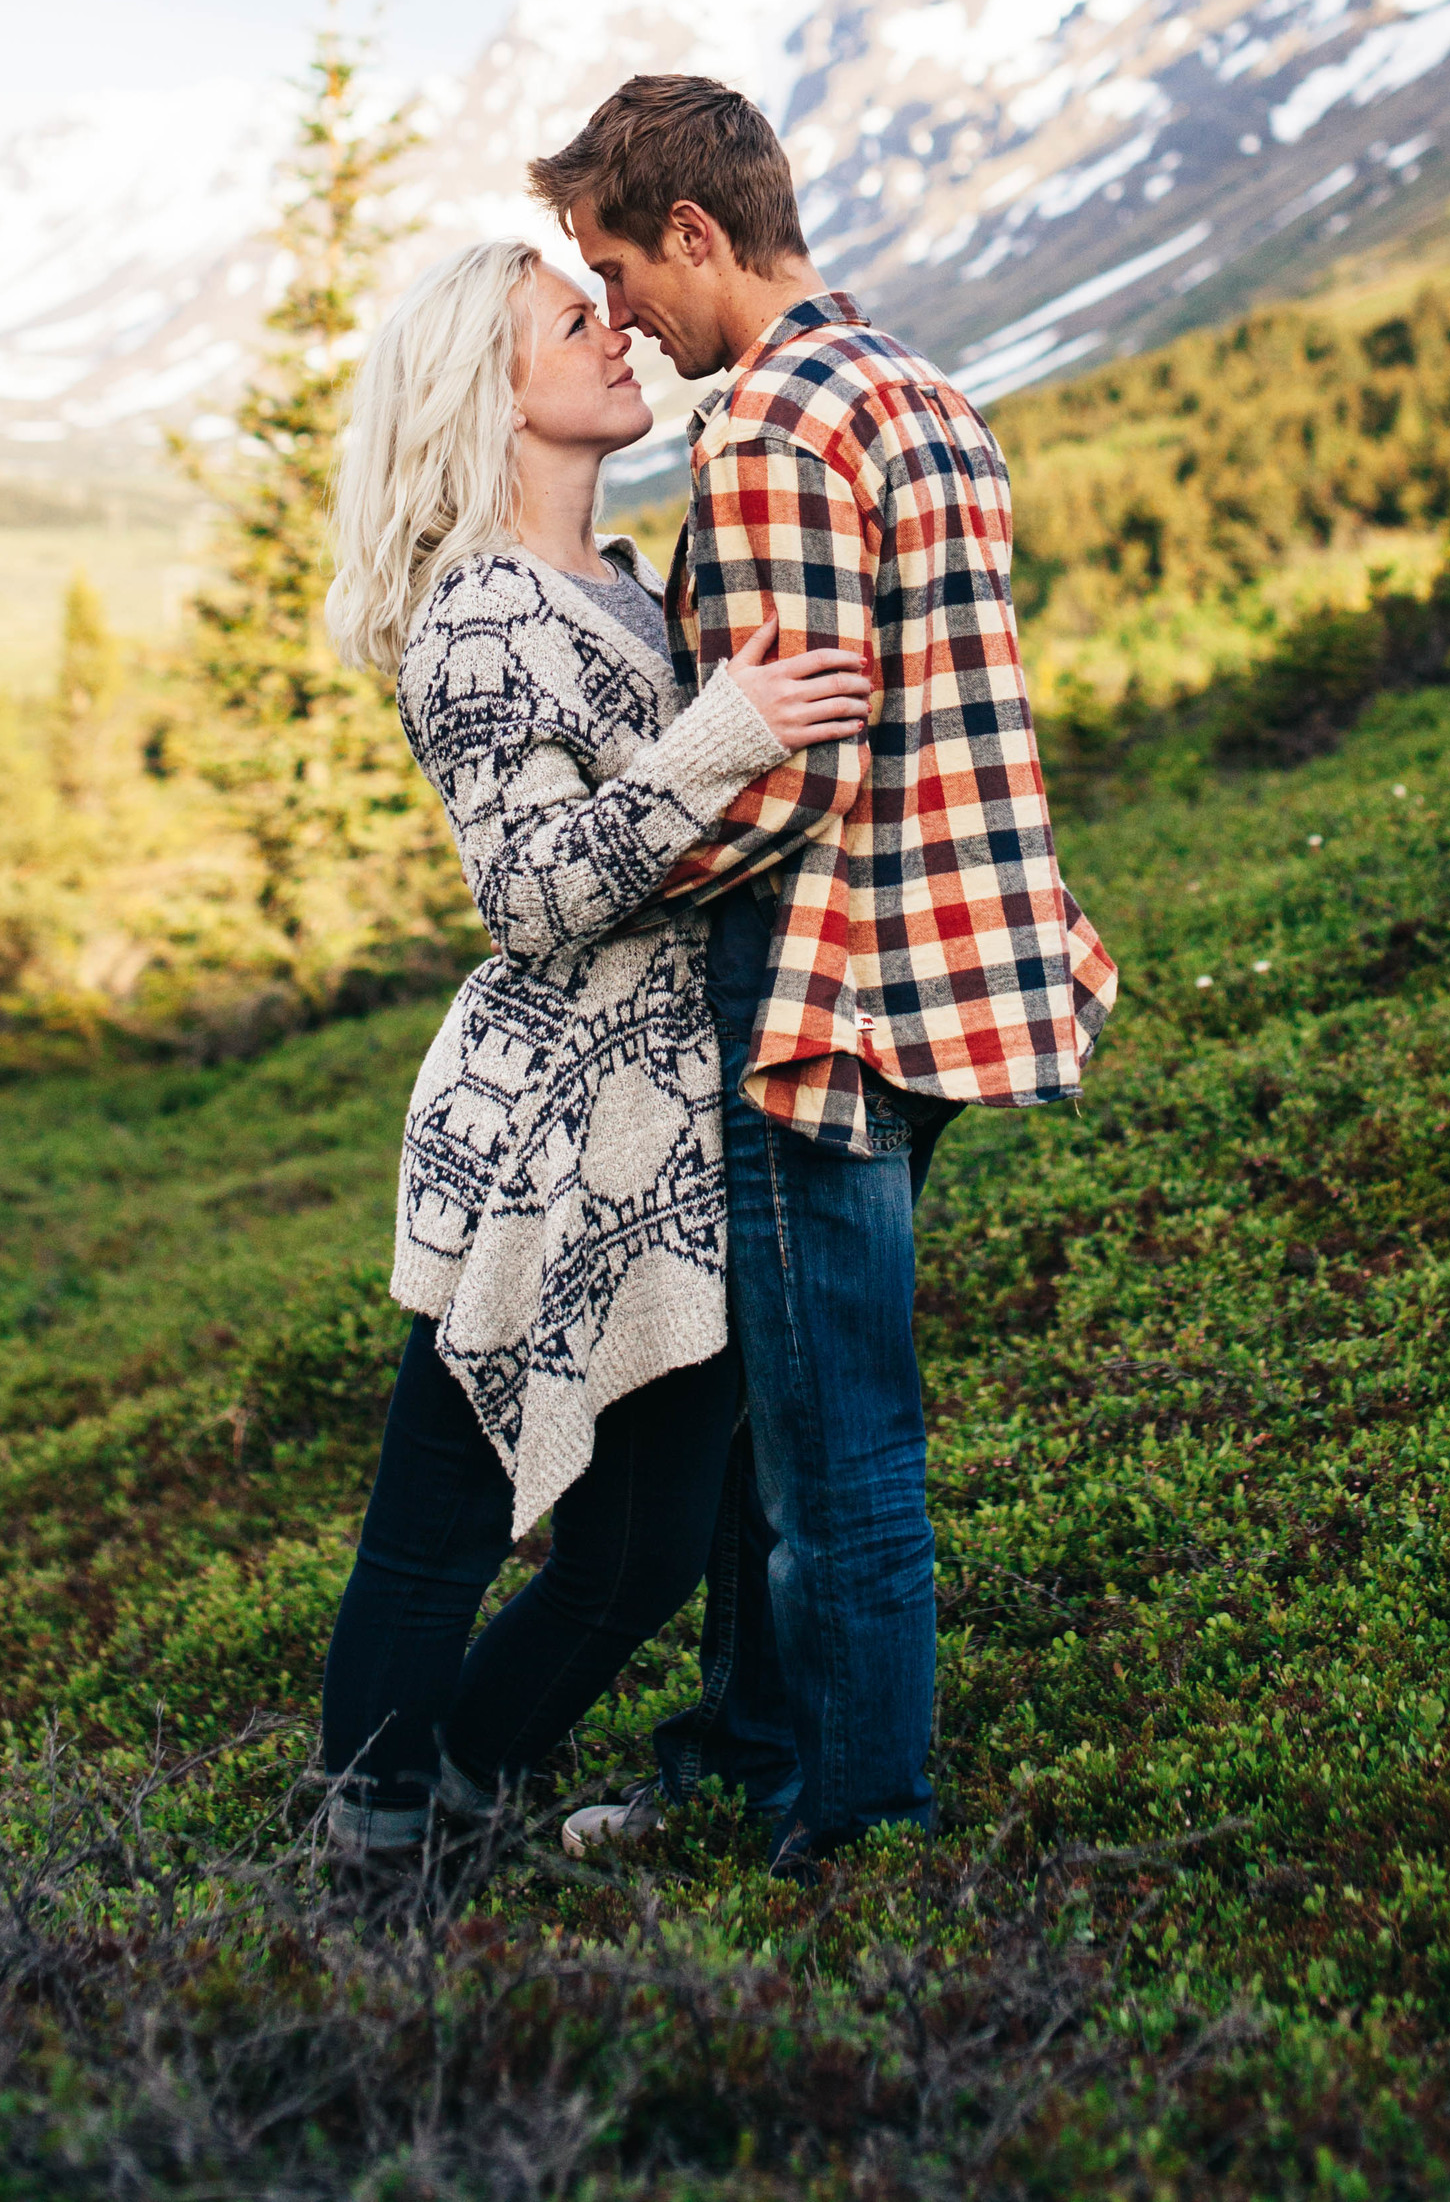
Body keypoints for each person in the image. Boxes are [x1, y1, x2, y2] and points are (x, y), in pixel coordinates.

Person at [526, 75, 1117, 1872]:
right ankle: (747, 1739)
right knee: (770, 1414)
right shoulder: (918, 387)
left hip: (822, 995)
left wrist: (607, 868)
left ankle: (857, 1825)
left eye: (621, 267)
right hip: (948, 960)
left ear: (698, 235)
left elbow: (786, 761)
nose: (619, 311)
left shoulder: (772, 427)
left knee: (830, 1440)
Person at [314, 234, 870, 1867]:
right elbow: (531, 893)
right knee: (441, 1521)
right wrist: (723, 737)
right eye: (577, 320)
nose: (618, 332)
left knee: (637, 1549)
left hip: (666, 1126)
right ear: (495, 391)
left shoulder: (621, 580)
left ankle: (471, 1766)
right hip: (532, 1134)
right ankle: (364, 1839)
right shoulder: (480, 617)